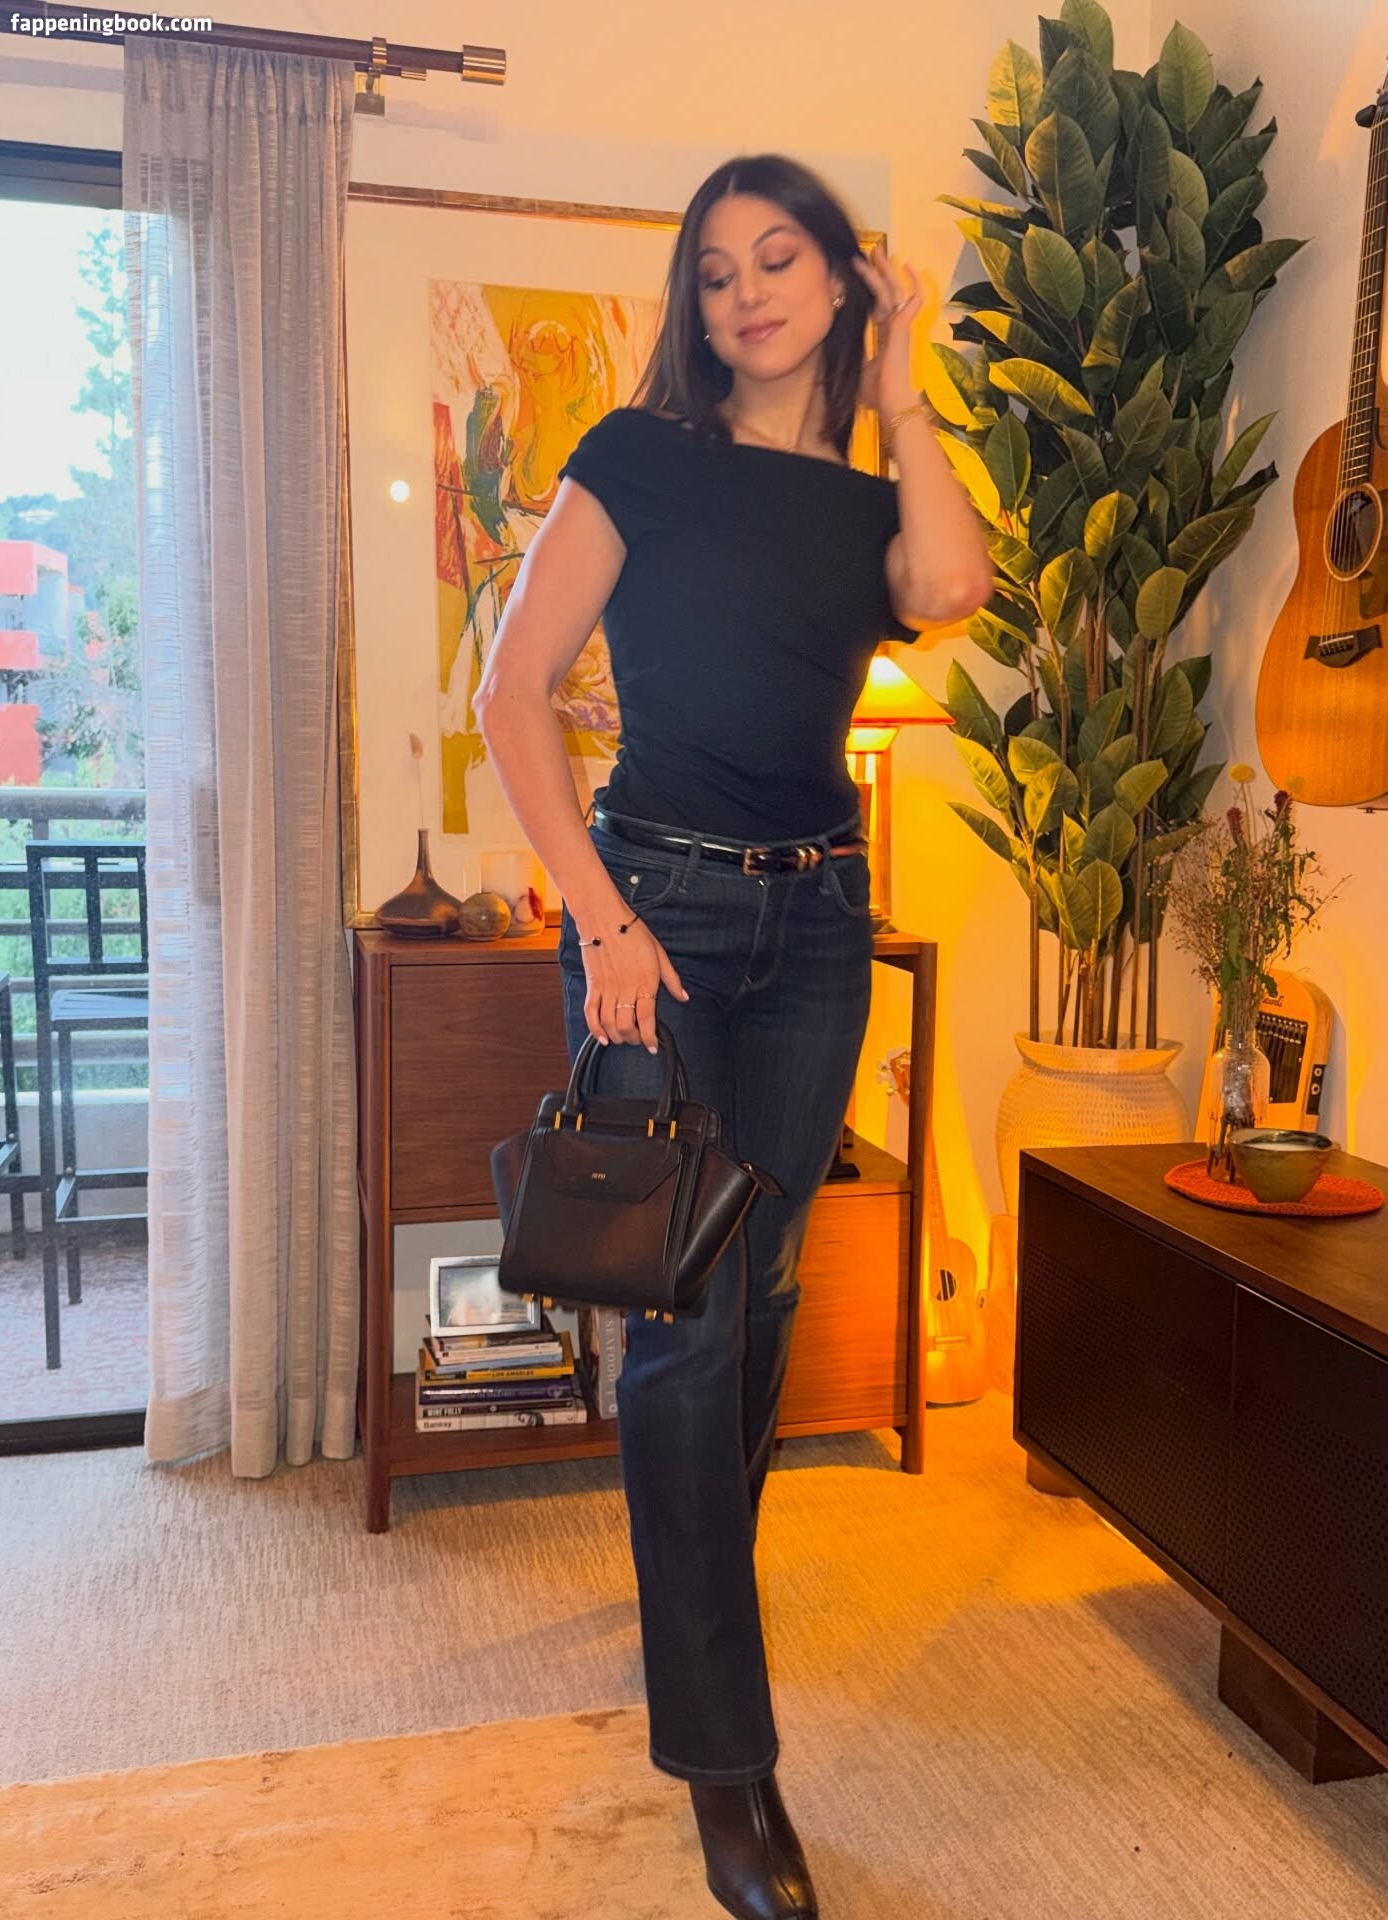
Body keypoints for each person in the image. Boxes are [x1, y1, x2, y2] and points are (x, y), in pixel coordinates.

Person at [474, 152, 991, 1920]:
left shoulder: (865, 504)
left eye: (781, 260)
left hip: (821, 921)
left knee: (761, 1292)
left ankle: (698, 1588)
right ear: (692, 307)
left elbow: (950, 587)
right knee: (688, 1325)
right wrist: (597, 919)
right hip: (662, 925)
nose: (746, 293)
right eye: (714, 271)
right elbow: (513, 693)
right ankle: (727, 1767)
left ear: (843, 282)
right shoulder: (638, 459)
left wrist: (906, 395)